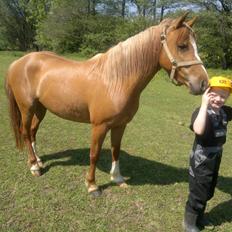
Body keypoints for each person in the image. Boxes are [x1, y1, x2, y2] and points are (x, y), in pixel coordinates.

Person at [183, 76, 232, 232]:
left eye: (223, 95)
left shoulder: (224, 112)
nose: (219, 99)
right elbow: (198, 129)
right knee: (198, 190)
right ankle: (189, 222)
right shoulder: (200, 112)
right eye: (214, 94)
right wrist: (204, 105)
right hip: (201, 158)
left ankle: (199, 216)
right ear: (207, 94)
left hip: (216, 156)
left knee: (209, 188)